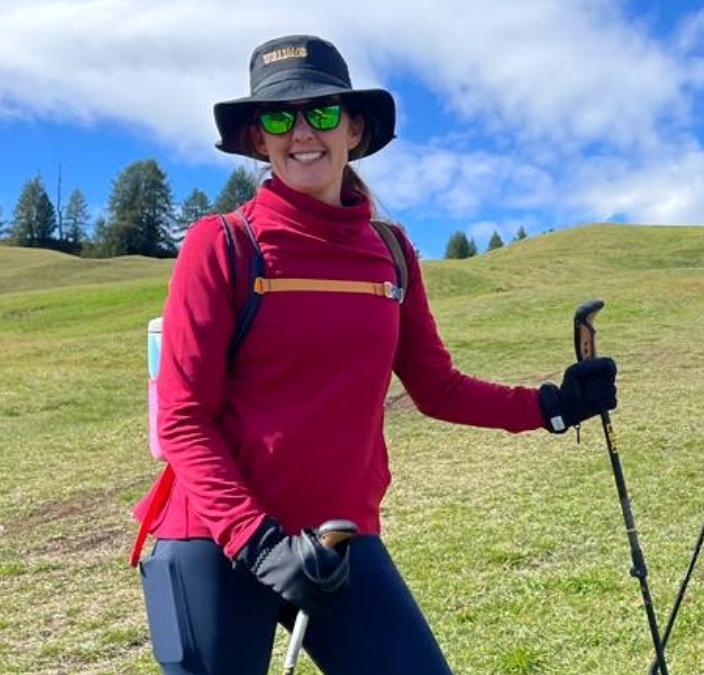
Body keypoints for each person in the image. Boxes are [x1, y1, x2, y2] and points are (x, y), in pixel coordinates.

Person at [131, 34, 617, 675]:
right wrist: (258, 542)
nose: (302, 131)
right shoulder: (222, 244)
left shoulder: (389, 252)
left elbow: (437, 387)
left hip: (338, 537)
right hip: (216, 541)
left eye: (323, 112)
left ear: (354, 127)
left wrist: (552, 405)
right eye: (280, 116)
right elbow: (183, 419)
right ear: (258, 139)